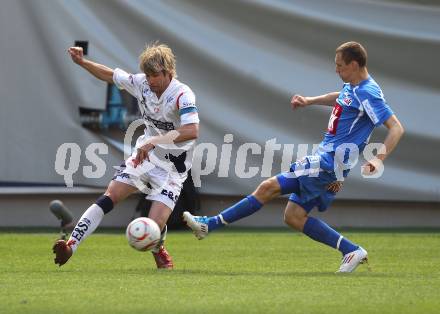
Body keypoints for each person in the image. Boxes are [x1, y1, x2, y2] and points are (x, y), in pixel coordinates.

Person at [183, 41, 404, 273]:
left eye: (340, 66)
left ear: (355, 64)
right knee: (294, 217)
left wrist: (378, 158)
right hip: (331, 163)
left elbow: (396, 128)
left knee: (267, 188)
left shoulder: (368, 93)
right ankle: (351, 250)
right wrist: (310, 101)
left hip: (328, 162)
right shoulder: (355, 86)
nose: (336, 70)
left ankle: (209, 225)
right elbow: (338, 97)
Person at [53, 42, 200, 269]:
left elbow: (192, 131)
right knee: (110, 195)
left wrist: (154, 141)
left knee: (153, 225)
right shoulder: (141, 83)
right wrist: (82, 62)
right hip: (145, 158)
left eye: (154, 75)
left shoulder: (182, 94)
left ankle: (158, 248)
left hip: (172, 169)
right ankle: (71, 245)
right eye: (147, 75)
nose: (150, 81)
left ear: (168, 72)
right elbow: (109, 75)